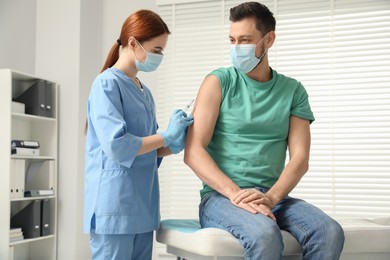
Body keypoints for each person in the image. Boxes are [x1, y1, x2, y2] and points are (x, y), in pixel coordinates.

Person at [184, 2, 344, 259]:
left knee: (329, 231)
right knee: (264, 234)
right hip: (222, 197)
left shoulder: (293, 91)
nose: (237, 48)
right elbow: (193, 151)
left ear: (268, 40)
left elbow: (300, 159)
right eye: (232, 40)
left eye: (245, 40)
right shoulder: (218, 82)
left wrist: (270, 198)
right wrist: (236, 194)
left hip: (273, 195)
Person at [83, 9, 193, 260]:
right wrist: (166, 136)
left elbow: (147, 150)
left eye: (162, 51)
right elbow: (117, 146)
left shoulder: (144, 91)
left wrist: (175, 143)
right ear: (133, 43)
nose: (159, 56)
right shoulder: (106, 84)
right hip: (115, 207)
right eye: (156, 50)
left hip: (143, 207)